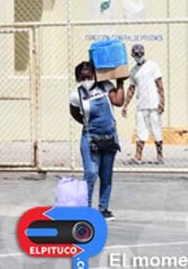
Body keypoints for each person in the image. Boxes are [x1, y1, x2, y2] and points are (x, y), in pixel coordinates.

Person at [69, 61, 124, 219]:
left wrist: (120, 82)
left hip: (109, 137)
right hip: (90, 138)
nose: (87, 80)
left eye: (89, 76)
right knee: (91, 173)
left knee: (106, 175)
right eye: (83, 78)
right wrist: (88, 124)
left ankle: (103, 209)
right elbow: (74, 113)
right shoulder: (76, 94)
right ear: (78, 79)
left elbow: (118, 101)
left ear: (95, 75)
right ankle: (85, 209)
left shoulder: (105, 86)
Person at [121, 44, 165, 164]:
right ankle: (138, 156)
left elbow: (159, 84)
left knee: (156, 130)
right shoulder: (133, 71)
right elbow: (131, 89)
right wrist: (125, 105)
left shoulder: (153, 66)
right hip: (141, 106)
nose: (139, 56)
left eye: (141, 53)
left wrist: (162, 101)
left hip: (154, 105)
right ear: (132, 55)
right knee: (141, 132)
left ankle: (160, 156)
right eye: (136, 54)